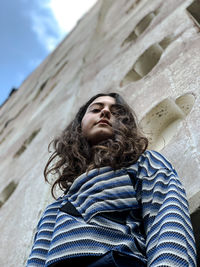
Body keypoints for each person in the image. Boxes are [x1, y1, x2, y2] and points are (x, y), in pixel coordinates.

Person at [27, 92, 197, 267]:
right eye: (96, 109)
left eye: (116, 112)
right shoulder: (55, 208)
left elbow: (168, 221)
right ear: (79, 125)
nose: (106, 112)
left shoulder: (145, 164)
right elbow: (36, 261)